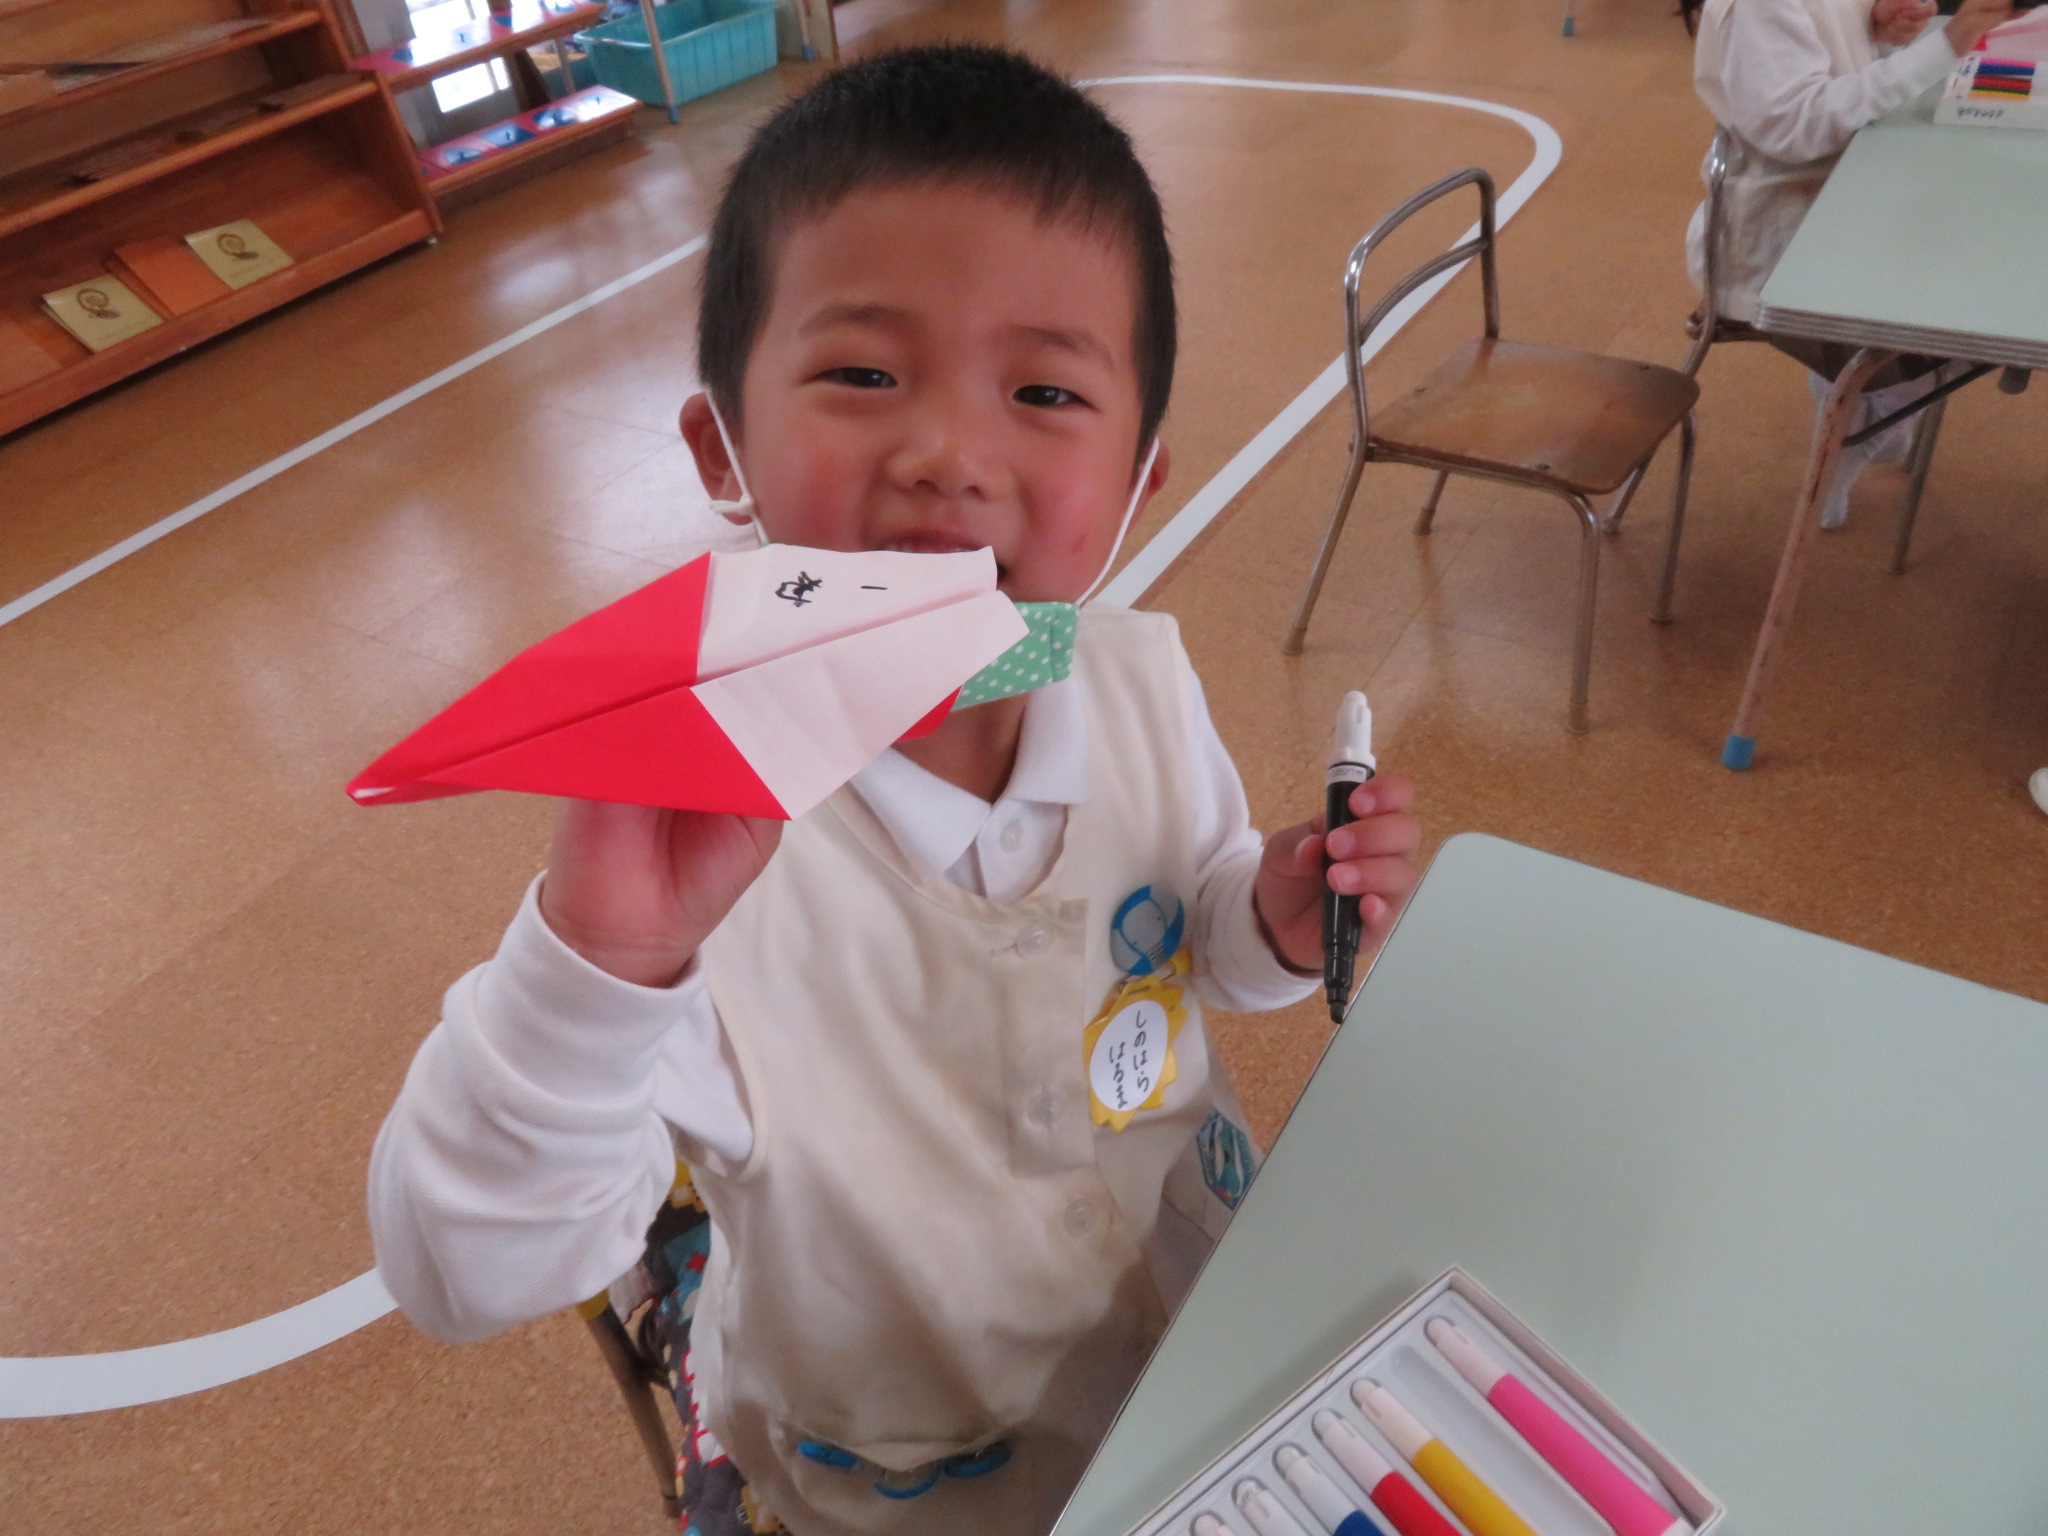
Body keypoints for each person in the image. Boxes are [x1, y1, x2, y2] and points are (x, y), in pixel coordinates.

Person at [367, 45, 1422, 1536]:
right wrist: (597, 970)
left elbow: (1189, 945)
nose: (947, 454)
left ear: (1140, 481)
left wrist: (1263, 905)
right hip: (905, 1481)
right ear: (717, 447)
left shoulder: (1138, 678)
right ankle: (693, 1316)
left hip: (1187, 1366)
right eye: (863, 374)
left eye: (1046, 390)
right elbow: (459, 1274)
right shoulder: (688, 857)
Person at [1688, 0, 2013, 526]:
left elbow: (1836, 76)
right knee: (1982, 315)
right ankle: (1860, 424)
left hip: (1846, 204)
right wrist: (1943, 47)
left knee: (1980, 268)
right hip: (1786, 248)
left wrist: (1881, 35)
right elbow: (1795, 127)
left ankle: (1858, 405)